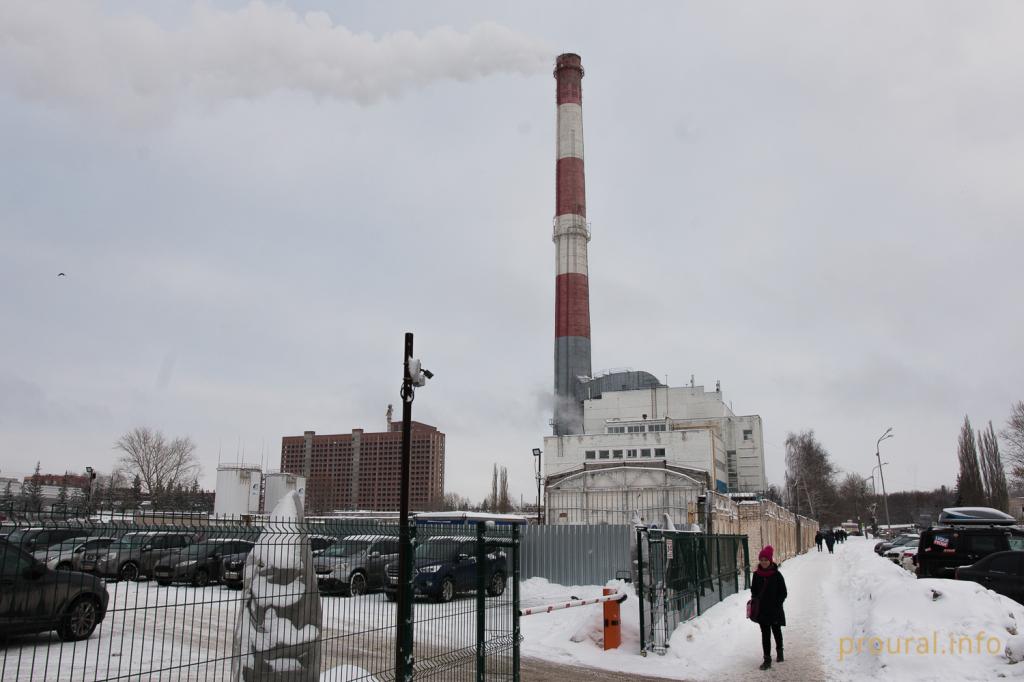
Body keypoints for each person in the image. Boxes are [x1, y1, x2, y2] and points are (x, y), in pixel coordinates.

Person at [751, 545, 787, 670]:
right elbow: (754, 591)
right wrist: (755, 601)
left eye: (766, 560)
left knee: (776, 631)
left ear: (770, 560)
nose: (763, 562)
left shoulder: (777, 575)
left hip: (775, 610)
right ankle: (767, 659)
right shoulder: (756, 575)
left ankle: (780, 652)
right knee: (765, 635)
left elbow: (783, 592)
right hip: (762, 611)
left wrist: (777, 605)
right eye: (761, 560)